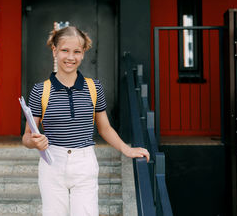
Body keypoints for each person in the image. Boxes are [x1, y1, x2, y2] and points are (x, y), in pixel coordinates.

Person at [22, 24, 150, 216]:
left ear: (83, 53)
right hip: (52, 165)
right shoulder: (40, 90)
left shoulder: (94, 88)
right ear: (54, 51)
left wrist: (127, 149)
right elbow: (26, 137)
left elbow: (104, 128)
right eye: (65, 50)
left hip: (85, 163)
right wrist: (34, 142)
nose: (71, 57)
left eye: (77, 51)